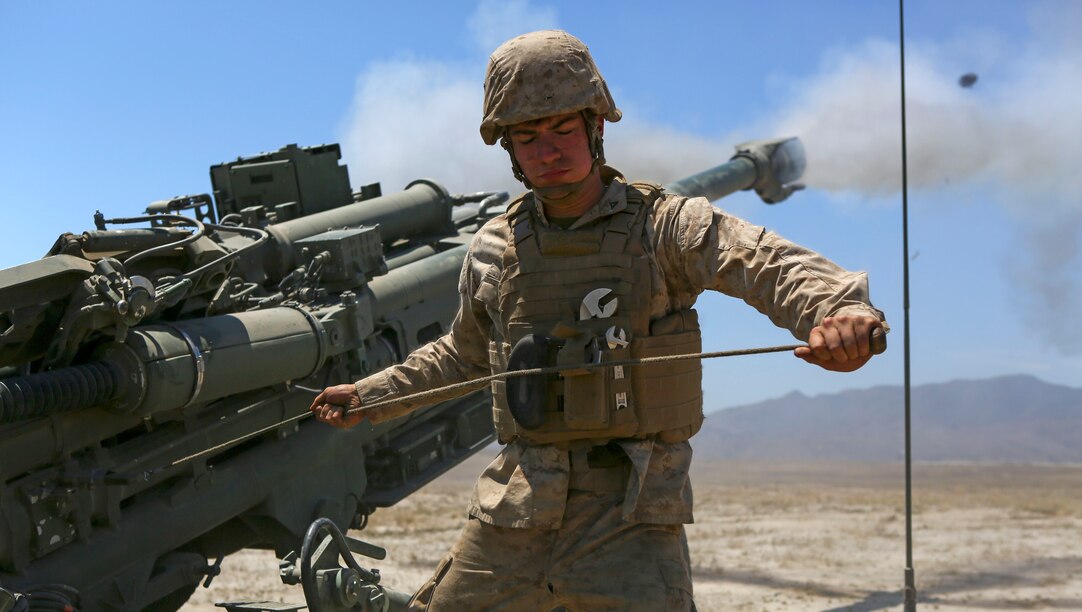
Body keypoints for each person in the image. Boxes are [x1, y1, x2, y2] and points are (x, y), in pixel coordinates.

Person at [311, 29, 886, 610]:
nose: (548, 150)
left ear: (596, 127)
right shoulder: (493, 249)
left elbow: (766, 263)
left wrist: (838, 312)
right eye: (528, 137)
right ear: (508, 150)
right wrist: (370, 395)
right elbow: (460, 356)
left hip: (630, 520)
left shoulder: (664, 228)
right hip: (515, 512)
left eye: (562, 129)